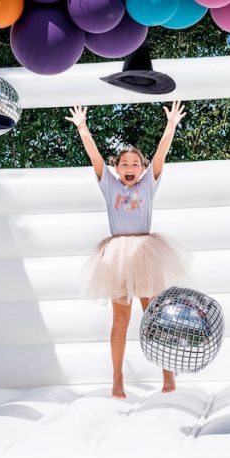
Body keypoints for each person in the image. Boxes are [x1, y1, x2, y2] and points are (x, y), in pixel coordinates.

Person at [65, 102, 192, 398]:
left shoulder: (148, 184)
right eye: (125, 164)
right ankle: (117, 377)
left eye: (136, 164)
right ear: (116, 169)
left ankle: (166, 370)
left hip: (147, 253)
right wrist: (83, 127)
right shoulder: (110, 185)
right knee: (120, 319)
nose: (130, 168)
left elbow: (161, 153)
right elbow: (95, 157)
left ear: (143, 168)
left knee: (154, 315)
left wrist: (171, 125)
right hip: (118, 257)